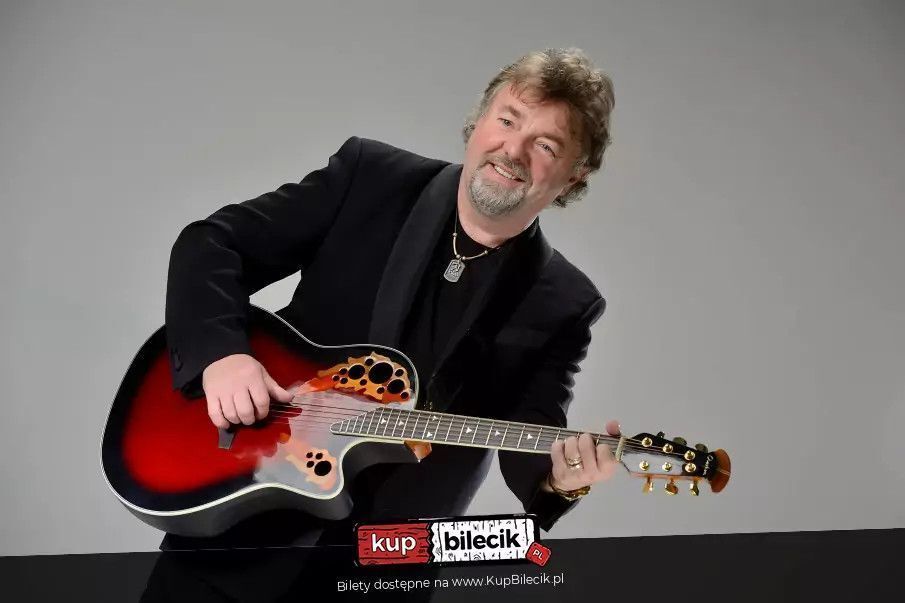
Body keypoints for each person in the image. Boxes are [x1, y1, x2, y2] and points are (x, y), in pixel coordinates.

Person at [162, 47, 618, 551]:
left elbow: (531, 436)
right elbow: (212, 244)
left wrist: (562, 481)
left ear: (575, 174)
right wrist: (222, 355)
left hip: (391, 555)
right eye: (507, 120)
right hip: (243, 507)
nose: (512, 150)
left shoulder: (565, 302)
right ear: (478, 121)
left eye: (545, 145)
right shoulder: (372, 179)